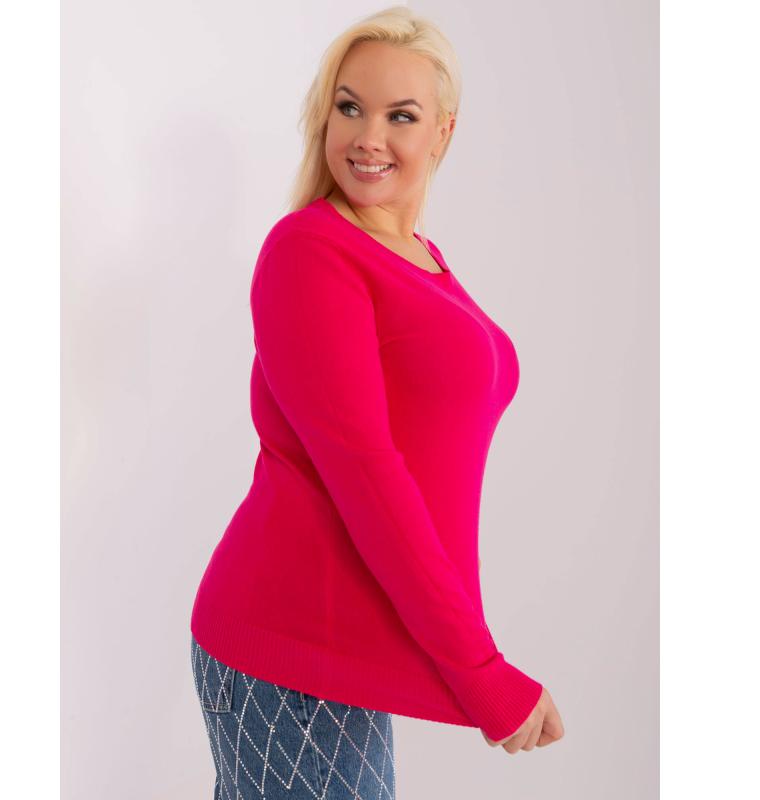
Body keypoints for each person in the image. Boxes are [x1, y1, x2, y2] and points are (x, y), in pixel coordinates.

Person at [190, 6, 564, 797]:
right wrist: (480, 669)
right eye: (350, 106)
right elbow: (367, 475)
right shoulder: (310, 252)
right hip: (289, 650)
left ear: (443, 133)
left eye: (401, 116)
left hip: (345, 653)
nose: (368, 137)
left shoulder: (420, 257)